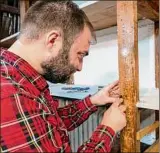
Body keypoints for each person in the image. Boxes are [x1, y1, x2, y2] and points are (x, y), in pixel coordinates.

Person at [0, 1, 126, 152]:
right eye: (80, 54)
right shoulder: (11, 95)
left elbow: (47, 124)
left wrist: (94, 101)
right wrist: (108, 128)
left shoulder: (20, 78)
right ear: (52, 41)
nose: (80, 67)